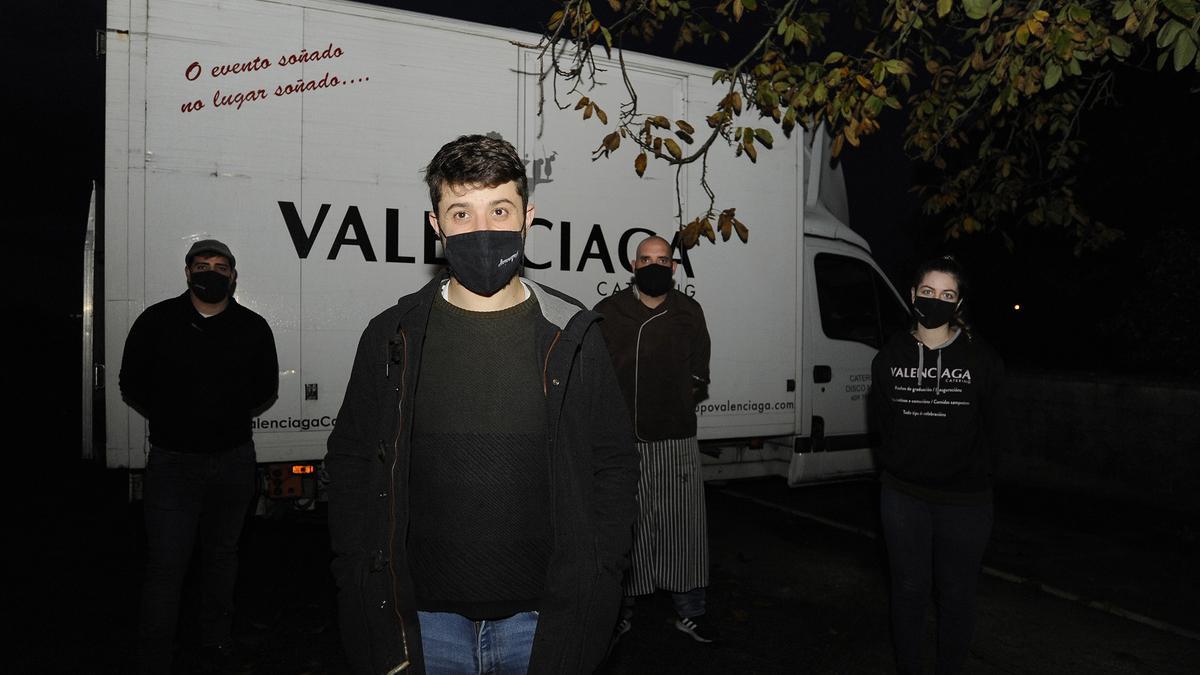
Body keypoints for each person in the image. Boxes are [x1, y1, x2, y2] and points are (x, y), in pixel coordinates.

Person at [325, 134, 639, 675]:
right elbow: (352, 459)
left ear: (527, 218)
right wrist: (356, 568)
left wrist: (602, 570)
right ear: (436, 227)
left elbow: (611, 462)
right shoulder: (392, 335)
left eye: (499, 209)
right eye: (461, 213)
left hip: (543, 615)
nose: (482, 229)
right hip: (423, 618)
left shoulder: (574, 335)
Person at [120, 239, 279, 674]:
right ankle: (154, 655)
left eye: (220, 266)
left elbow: (265, 385)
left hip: (232, 461)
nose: (211, 271)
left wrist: (221, 411)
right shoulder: (158, 322)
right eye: (202, 265)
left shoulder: (252, 326)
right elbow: (131, 381)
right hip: (174, 462)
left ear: (232, 275)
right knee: (167, 563)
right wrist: (177, 415)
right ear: (188, 272)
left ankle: (216, 643)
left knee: (222, 558)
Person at [870, 255, 1005, 674]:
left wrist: (976, 477)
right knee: (908, 589)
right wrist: (896, 468)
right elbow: (880, 425)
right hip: (904, 497)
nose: (936, 301)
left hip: (965, 501)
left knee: (957, 594)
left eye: (948, 295)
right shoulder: (890, 355)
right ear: (913, 295)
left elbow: (997, 430)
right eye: (928, 292)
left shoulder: (982, 360)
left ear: (959, 304)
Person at [594, 235, 716, 644]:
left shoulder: (688, 312)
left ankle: (690, 612)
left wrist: (680, 397)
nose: (654, 265)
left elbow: (701, 372)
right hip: (622, 442)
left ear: (674, 267)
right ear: (633, 264)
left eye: (662, 259)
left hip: (675, 437)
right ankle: (619, 612)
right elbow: (592, 376)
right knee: (628, 530)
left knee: (684, 529)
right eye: (646, 259)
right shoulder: (609, 312)